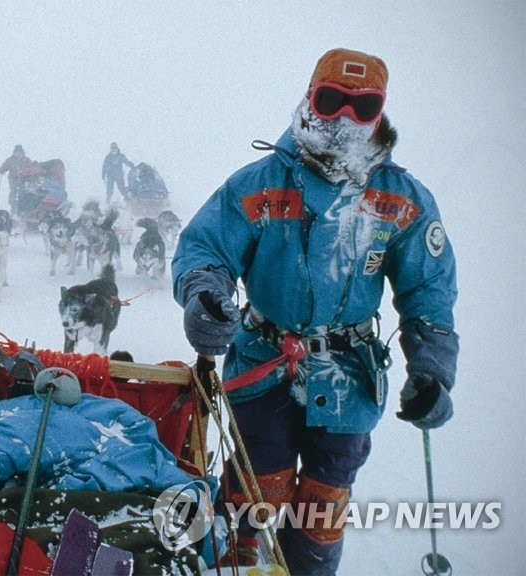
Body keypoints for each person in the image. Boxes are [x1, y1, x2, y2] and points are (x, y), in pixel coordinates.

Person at [172, 48, 458, 575]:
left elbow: (429, 290)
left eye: (362, 106)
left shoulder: (404, 199)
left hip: (349, 379)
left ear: (379, 112)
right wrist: (203, 293)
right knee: (259, 489)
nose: (345, 119)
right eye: (332, 102)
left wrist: (433, 369)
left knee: (324, 505)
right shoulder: (258, 184)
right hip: (263, 366)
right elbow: (206, 249)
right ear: (310, 100)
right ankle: (238, 565)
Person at [0, 144, 32, 210]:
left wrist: (30, 176)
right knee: (13, 191)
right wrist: (2, 170)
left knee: (23, 192)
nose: (18, 154)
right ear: (14, 152)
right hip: (13, 178)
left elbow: (31, 168)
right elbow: (5, 166)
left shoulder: (26, 160)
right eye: (16, 152)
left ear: (22, 152)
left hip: (24, 179)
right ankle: (13, 206)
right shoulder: (10, 159)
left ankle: (21, 206)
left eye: (19, 152)